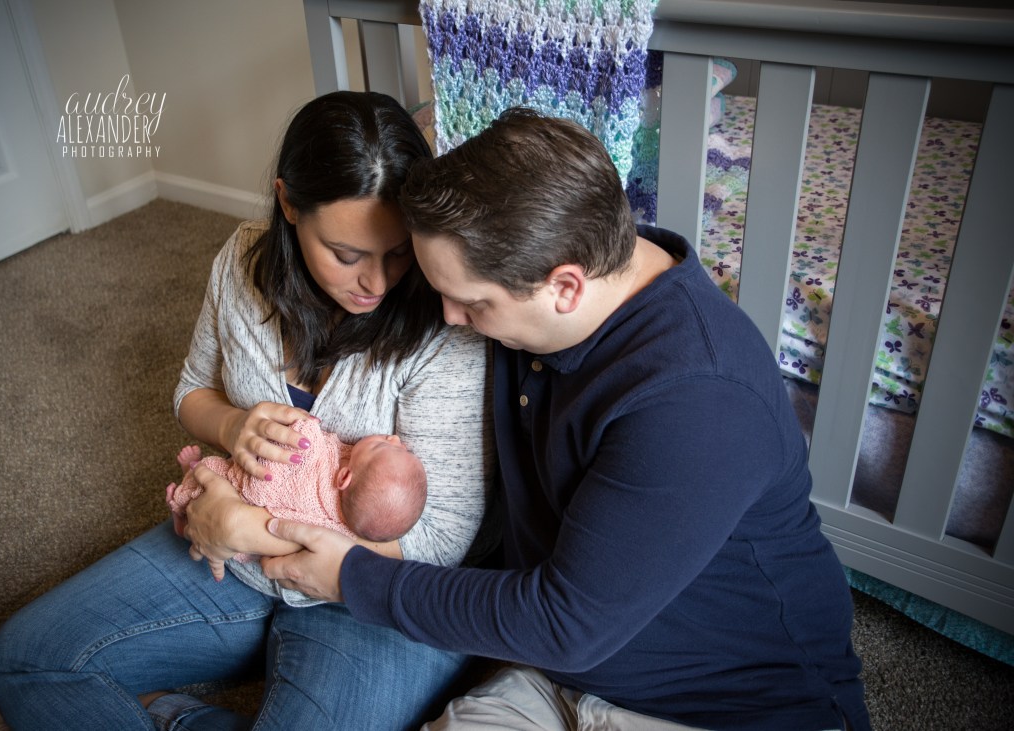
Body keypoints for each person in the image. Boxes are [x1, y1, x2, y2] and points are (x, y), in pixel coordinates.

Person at [235, 108, 872, 731]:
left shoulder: (698, 398)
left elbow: (566, 623)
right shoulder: (550, 269)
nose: (451, 319)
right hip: (553, 676)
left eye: (472, 303)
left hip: (726, 704)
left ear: (565, 287)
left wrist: (352, 575)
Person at [0, 91, 495, 730]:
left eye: (397, 252)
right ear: (288, 204)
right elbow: (191, 391)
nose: (377, 281)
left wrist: (243, 528)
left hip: (374, 597)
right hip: (233, 564)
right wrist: (232, 425)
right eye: (346, 254)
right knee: (24, 659)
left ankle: (178, 720)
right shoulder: (241, 260)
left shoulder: (446, 317)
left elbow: (441, 540)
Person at [166, 416, 428, 591]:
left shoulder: (317, 488)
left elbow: (268, 488)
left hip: (242, 498)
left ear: (345, 477)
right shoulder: (354, 519)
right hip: (242, 541)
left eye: (384, 446)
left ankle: (182, 508)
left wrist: (305, 428)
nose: (395, 438)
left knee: (207, 475)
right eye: (402, 447)